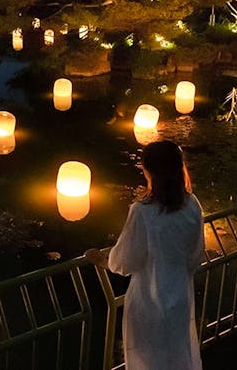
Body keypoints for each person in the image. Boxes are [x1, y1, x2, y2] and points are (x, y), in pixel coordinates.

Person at [85, 140, 205, 370]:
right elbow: (195, 256)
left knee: (148, 360)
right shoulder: (192, 205)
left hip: (148, 301)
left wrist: (102, 260)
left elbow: (125, 261)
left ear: (148, 171)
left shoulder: (143, 212)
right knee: (177, 355)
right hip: (180, 295)